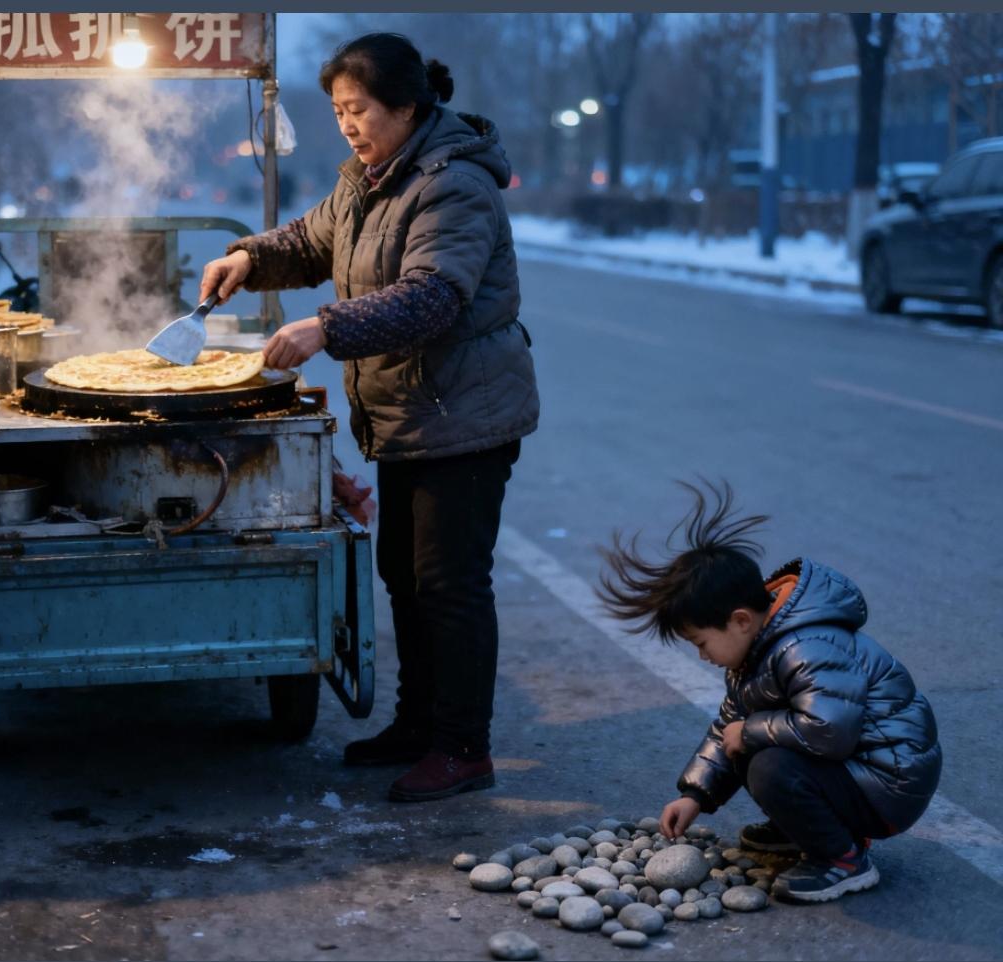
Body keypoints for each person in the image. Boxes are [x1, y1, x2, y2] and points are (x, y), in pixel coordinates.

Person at [199, 33, 538, 802]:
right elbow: (310, 239)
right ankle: (417, 726)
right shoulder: (369, 178)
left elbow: (433, 296)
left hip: (465, 415)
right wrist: (249, 257)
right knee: (405, 578)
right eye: (338, 112)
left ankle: (462, 748)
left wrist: (328, 328)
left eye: (358, 109)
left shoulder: (454, 185)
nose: (346, 125)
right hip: (409, 414)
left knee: (450, 585)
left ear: (406, 106)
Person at [596, 481, 942, 903]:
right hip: (855, 770)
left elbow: (830, 730)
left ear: (740, 619)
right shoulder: (755, 651)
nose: (702, 656)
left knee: (767, 762)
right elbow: (727, 726)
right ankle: (801, 827)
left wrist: (751, 730)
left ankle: (844, 859)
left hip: (889, 782)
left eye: (701, 643)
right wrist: (695, 796)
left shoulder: (807, 646)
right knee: (743, 741)